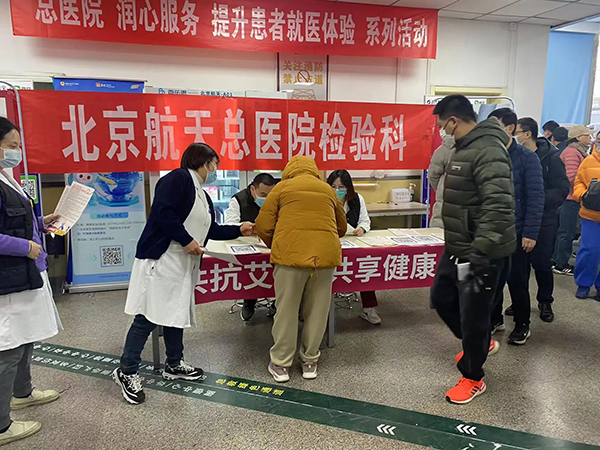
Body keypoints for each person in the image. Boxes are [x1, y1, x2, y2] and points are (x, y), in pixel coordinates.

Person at [112, 143, 254, 405]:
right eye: (215, 164)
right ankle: (127, 370)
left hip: (182, 264)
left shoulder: (202, 195)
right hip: (162, 259)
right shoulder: (177, 179)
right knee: (147, 316)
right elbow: (162, 213)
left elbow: (211, 229)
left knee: (175, 314)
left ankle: (174, 363)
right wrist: (187, 240)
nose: (215, 170)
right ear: (204, 162)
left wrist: (239, 229)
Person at [430, 95, 515, 404]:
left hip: (481, 253)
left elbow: (499, 204)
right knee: (442, 299)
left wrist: (481, 251)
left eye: (443, 125)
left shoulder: (488, 149)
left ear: (454, 121)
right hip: (458, 247)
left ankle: (473, 377)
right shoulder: (463, 148)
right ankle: (477, 343)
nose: (442, 131)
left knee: (474, 316)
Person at [256, 156, 346, 383]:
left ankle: (281, 364)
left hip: (290, 258)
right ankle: (309, 362)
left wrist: (278, 244)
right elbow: (342, 226)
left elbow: (263, 225)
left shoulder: (281, 188)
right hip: (324, 259)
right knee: (317, 311)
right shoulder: (327, 190)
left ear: (289, 170)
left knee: (286, 311)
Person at [0, 117, 62, 445]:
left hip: (27, 274)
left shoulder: (7, 178)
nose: (17, 152)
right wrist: (25, 246)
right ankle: (1, 426)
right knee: (8, 347)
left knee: (27, 337)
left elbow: (13, 221)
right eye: (11, 146)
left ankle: (22, 393)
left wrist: (40, 220)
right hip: (9, 278)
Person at [504, 118, 569, 340]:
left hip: (545, 220)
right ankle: (518, 303)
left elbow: (562, 189)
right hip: (521, 219)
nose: (515, 136)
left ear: (527, 134)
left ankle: (545, 301)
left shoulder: (551, 158)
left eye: (518, 132)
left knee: (541, 264)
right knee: (518, 268)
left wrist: (537, 197)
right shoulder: (515, 157)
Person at [488, 109, 544, 334]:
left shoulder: (527, 158)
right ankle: (495, 319)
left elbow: (536, 197)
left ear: (509, 129)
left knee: (517, 281)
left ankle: (522, 324)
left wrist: (530, 233)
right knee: (493, 281)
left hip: (517, 231)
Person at [326, 170, 380, 325]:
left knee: (366, 267)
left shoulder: (357, 199)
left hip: (353, 243)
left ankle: (369, 308)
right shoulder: (324, 199)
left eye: (341, 187)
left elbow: (365, 220)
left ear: (348, 187)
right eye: (333, 186)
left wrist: (361, 228)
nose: (337, 190)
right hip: (329, 243)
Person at [225, 173, 277, 321]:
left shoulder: (277, 198)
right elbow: (229, 224)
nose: (266, 199)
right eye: (263, 195)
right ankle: (249, 300)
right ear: (252, 189)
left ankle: (277, 302)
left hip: (271, 244)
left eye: (270, 195)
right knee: (251, 269)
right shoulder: (238, 199)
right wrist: (245, 227)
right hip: (246, 244)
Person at [553, 125, 593, 276]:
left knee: (567, 232)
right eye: (587, 135)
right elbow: (571, 177)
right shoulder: (572, 152)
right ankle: (560, 264)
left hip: (573, 198)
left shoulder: (578, 152)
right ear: (578, 138)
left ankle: (559, 260)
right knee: (566, 232)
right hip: (570, 198)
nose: (590, 138)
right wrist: (587, 183)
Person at [573, 141, 600, 300]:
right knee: (590, 249)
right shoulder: (588, 161)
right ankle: (583, 283)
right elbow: (578, 183)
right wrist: (582, 195)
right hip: (590, 214)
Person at [428, 136, 455, 229]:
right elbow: (433, 176)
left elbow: (433, 176)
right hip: (444, 212)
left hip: (445, 210)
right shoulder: (444, 150)